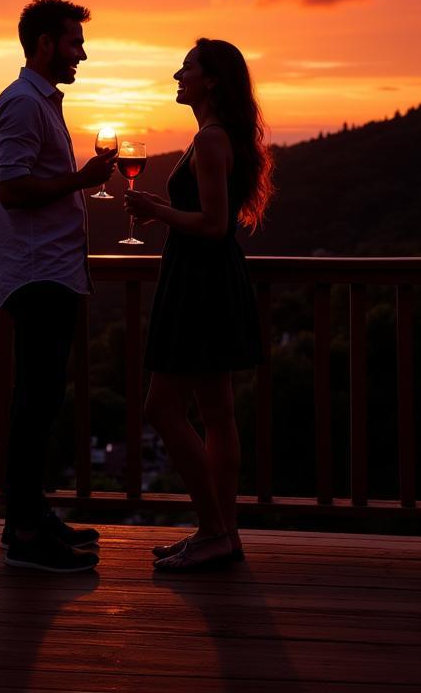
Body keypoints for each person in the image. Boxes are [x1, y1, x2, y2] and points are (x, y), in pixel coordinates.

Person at [124, 38, 273, 571]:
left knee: (161, 409)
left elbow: (212, 225)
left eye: (186, 68)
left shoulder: (210, 140)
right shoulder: (217, 136)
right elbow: (211, 216)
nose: (177, 75)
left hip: (199, 282)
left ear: (210, 80)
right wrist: (163, 209)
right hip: (213, 278)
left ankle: (214, 529)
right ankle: (222, 535)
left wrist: (156, 211)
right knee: (217, 414)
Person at [0, 0, 116, 573]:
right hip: (38, 273)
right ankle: (24, 535)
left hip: (52, 271)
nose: (81, 54)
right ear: (43, 44)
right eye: (73, 42)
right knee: (34, 403)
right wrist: (80, 180)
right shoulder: (21, 105)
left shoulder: (39, 103)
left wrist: (76, 182)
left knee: (40, 401)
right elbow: (12, 189)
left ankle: (32, 516)